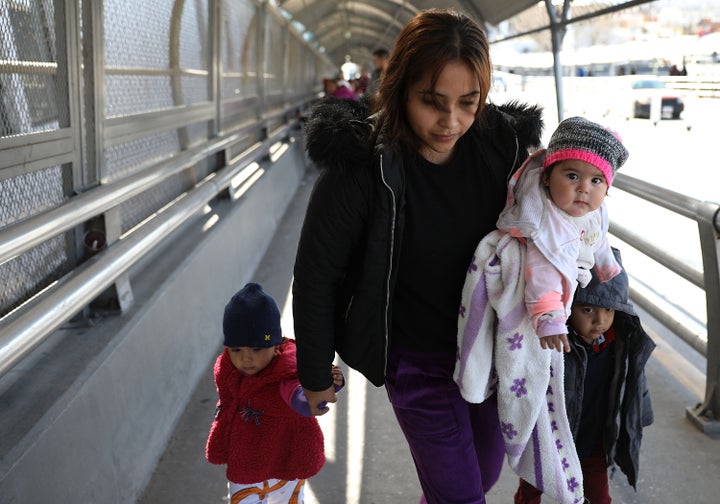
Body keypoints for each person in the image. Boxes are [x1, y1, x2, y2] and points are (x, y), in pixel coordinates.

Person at [293, 8, 543, 504]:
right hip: (416, 361)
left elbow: (556, 231)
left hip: (493, 355)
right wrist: (315, 371)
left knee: (483, 474)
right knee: (461, 495)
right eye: (432, 102)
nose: (451, 121)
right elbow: (317, 273)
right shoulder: (360, 164)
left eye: (468, 102)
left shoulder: (504, 147)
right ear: (401, 86)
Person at [455, 116, 629, 503]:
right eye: (572, 176)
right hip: (539, 312)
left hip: (563, 296)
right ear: (548, 177)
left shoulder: (590, 210)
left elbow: (597, 238)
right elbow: (542, 277)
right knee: (529, 381)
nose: (584, 189)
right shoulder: (543, 223)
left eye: (596, 181)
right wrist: (549, 319)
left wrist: (605, 267)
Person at [514, 248, 656, 503]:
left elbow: (635, 383)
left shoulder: (622, 344)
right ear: (567, 307)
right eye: (588, 310)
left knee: (599, 496)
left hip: (594, 441)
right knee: (531, 488)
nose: (600, 320)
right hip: (550, 439)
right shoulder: (551, 343)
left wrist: (641, 415)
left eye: (609, 311)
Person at [205, 282, 344, 503]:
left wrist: (322, 386)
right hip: (246, 464)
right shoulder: (227, 370)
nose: (245, 358)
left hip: (286, 466)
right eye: (236, 349)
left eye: (256, 348)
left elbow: (298, 397)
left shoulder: (285, 372)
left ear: (275, 344)